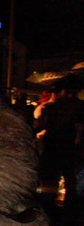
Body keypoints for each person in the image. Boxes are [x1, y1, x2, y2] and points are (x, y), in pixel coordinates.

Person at [36, 75, 84, 217]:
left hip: (55, 149)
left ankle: (49, 209)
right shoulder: (80, 107)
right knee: (70, 181)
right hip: (68, 150)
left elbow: (41, 125)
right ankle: (70, 211)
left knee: (52, 181)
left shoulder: (52, 108)